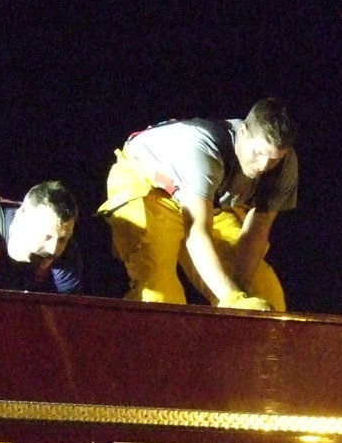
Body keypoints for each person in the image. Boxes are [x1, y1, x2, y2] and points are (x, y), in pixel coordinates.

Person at [96, 98, 298, 311]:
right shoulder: (204, 151)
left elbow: (258, 229)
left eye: (273, 158)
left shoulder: (284, 166)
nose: (263, 165)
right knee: (160, 293)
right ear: (243, 132)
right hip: (151, 188)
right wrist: (234, 299)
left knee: (263, 291)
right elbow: (197, 234)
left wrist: (242, 288)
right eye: (257, 153)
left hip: (206, 202)